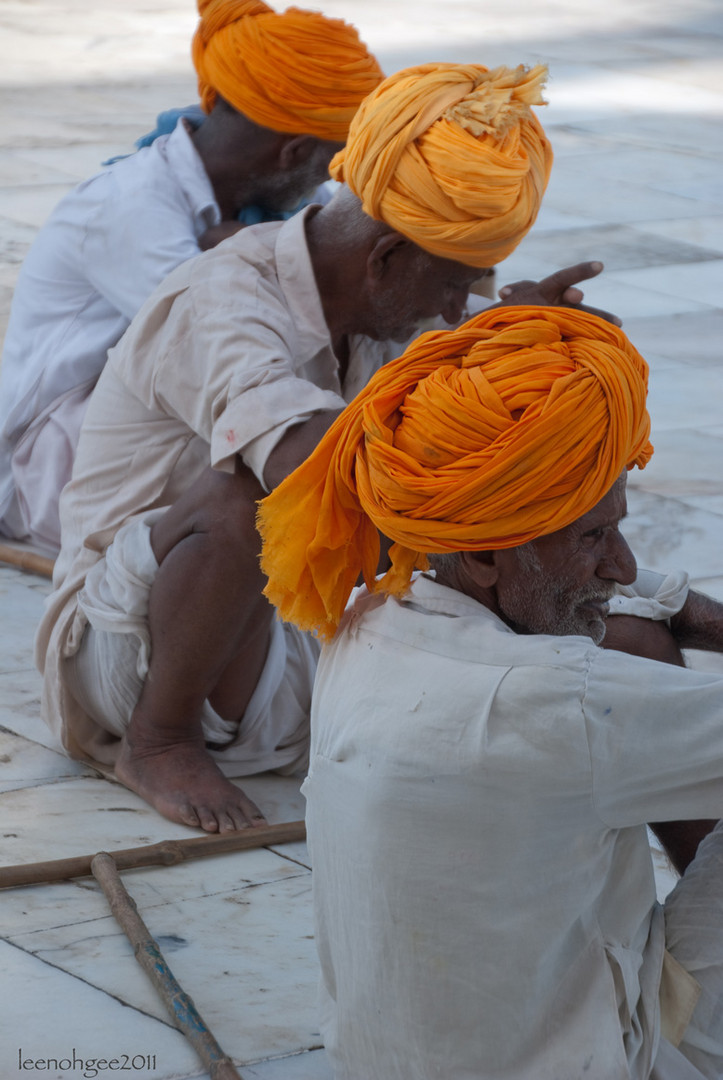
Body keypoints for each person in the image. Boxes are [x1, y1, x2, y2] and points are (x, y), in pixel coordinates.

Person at [36, 60, 579, 834]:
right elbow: (304, 466)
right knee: (248, 496)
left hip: (280, 641)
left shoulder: (393, 307)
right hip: (126, 651)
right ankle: (160, 743)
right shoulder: (221, 301)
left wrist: (512, 355)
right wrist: (470, 363)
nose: (459, 308)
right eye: (456, 286)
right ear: (386, 258)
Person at [258, 304, 723, 1080]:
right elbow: (566, 699)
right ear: (480, 555)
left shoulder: (365, 616)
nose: (619, 563)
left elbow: (626, 606)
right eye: (590, 537)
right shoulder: (556, 706)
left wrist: (676, 603)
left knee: (630, 633)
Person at [0, 0, 383, 549]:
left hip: (142, 447)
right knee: (261, 432)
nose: (330, 179)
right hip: (49, 473)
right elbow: (226, 346)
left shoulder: (287, 195)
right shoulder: (129, 208)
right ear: (294, 151)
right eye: (331, 159)